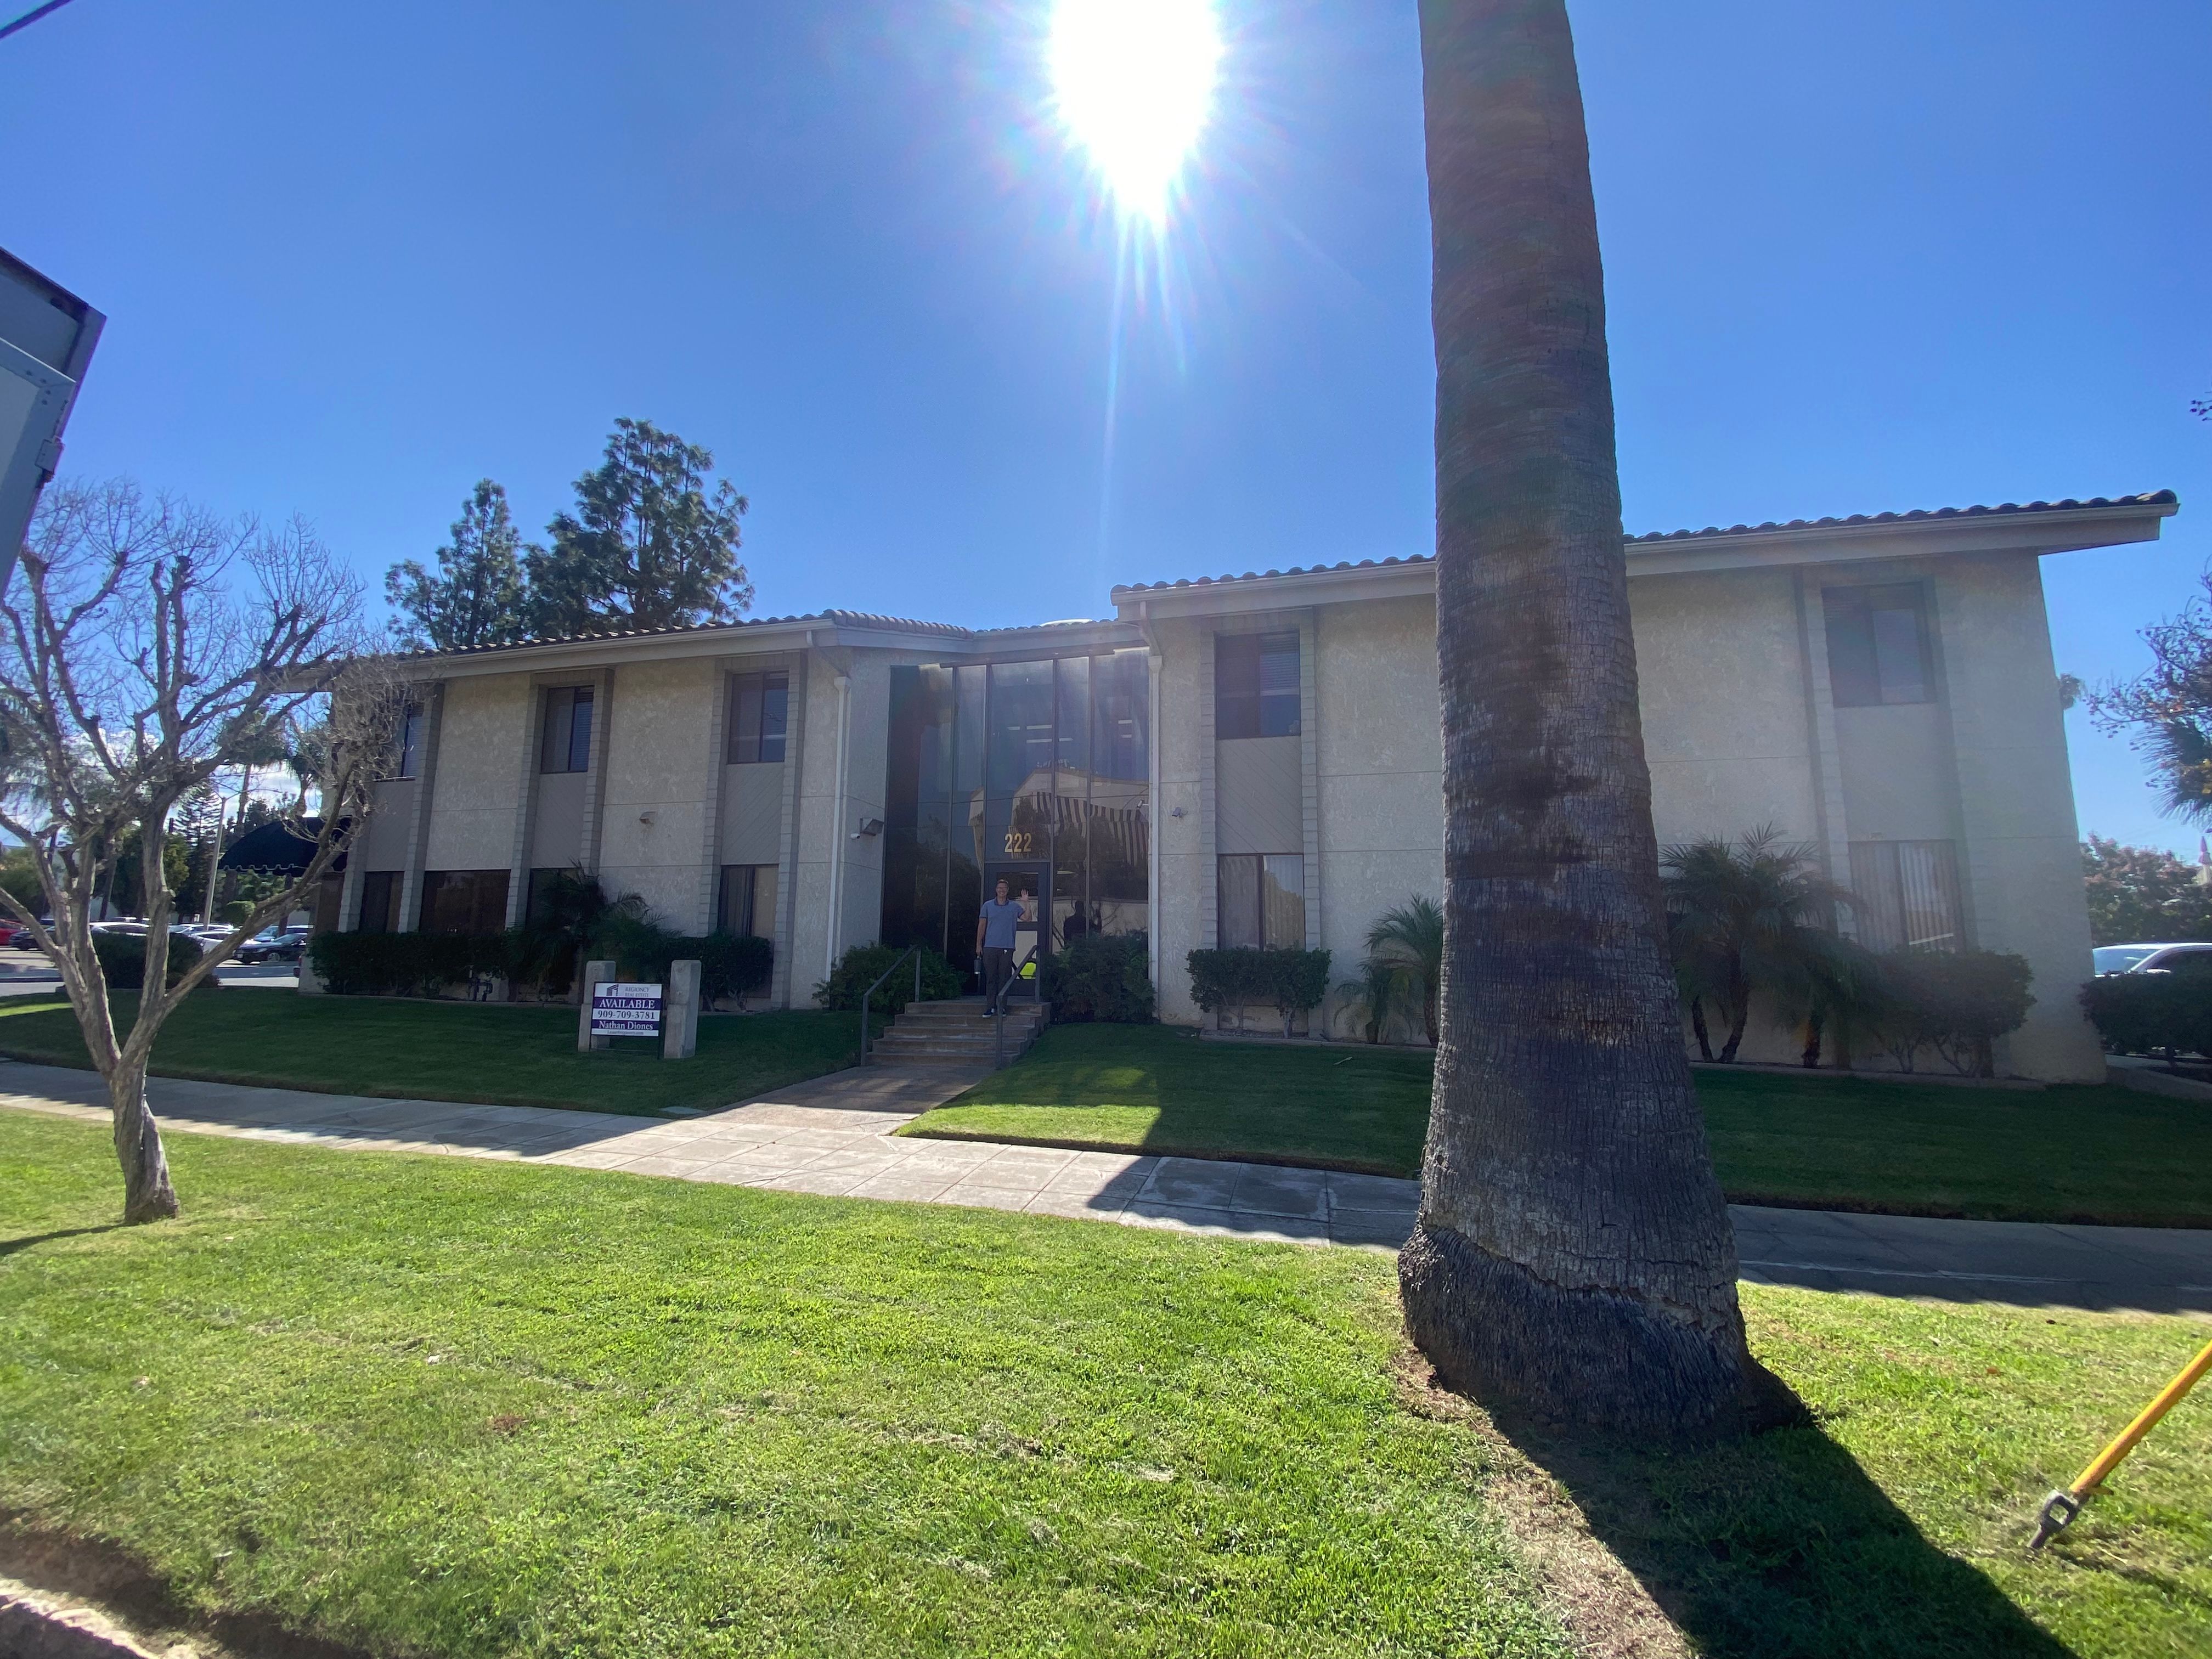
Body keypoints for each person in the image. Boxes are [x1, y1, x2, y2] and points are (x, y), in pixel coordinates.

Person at [975, 877, 1024, 1014]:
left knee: (1004, 978)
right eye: (999, 888)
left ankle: (1002, 1006)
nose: (1002, 890)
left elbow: (1027, 918)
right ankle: (990, 1007)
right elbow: (982, 925)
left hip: (1007, 947)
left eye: (1004, 888)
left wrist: (1026, 903)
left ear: (1008, 891)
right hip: (990, 947)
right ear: (996, 890)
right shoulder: (988, 906)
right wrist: (979, 944)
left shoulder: (1014, 906)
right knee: (991, 978)